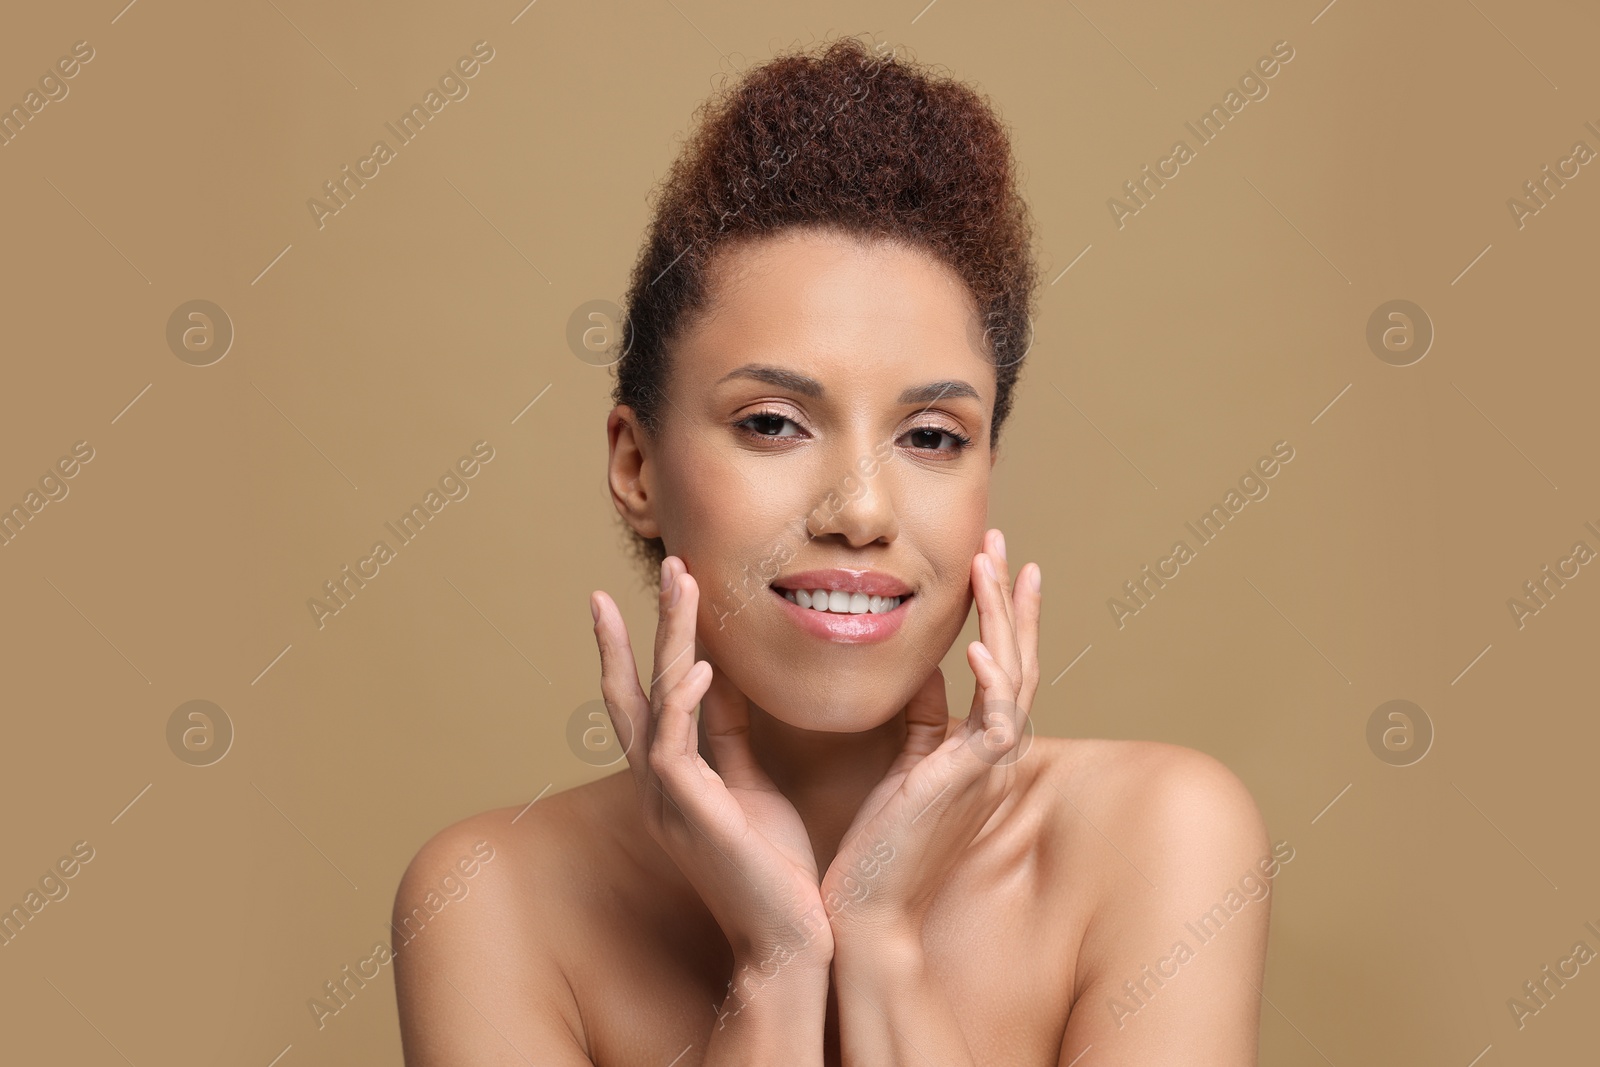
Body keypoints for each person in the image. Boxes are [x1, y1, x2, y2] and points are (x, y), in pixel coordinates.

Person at [394, 35, 1273, 1066]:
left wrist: (880, 941)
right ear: (636, 466)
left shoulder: (1157, 841)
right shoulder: (490, 898)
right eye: (772, 422)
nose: (859, 509)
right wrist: (775, 968)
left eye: (932, 436)